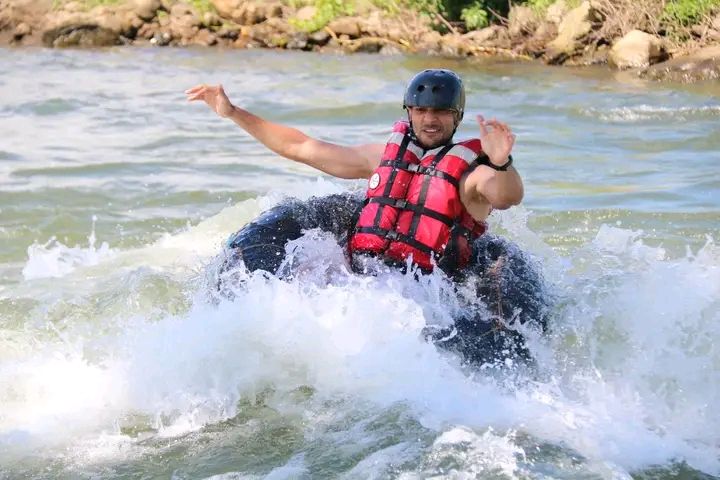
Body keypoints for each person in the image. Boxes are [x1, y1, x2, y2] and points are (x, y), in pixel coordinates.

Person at [185, 69, 523, 275]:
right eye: (420, 110)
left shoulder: (471, 175)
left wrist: (501, 162)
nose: (430, 119)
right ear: (409, 112)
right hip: (362, 278)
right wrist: (233, 112)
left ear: (457, 116)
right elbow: (300, 147)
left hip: (424, 294)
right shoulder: (381, 158)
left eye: (440, 112)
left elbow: (505, 195)